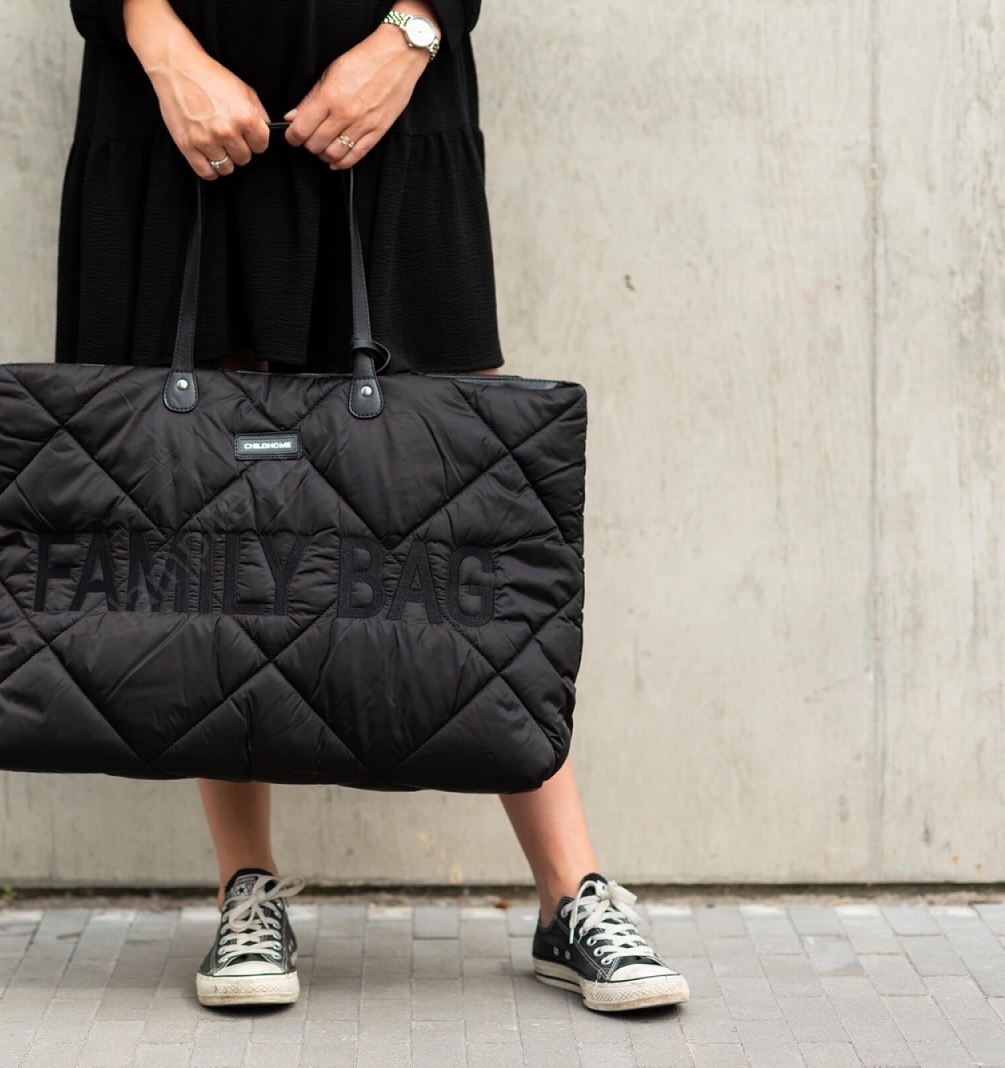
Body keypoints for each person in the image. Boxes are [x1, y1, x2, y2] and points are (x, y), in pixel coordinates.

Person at [57, 0, 690, 1013]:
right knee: (213, 515)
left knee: (461, 504)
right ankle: (246, 889)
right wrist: (161, 46)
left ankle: (570, 893)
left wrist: (410, 35)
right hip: (186, 111)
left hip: (390, 106)